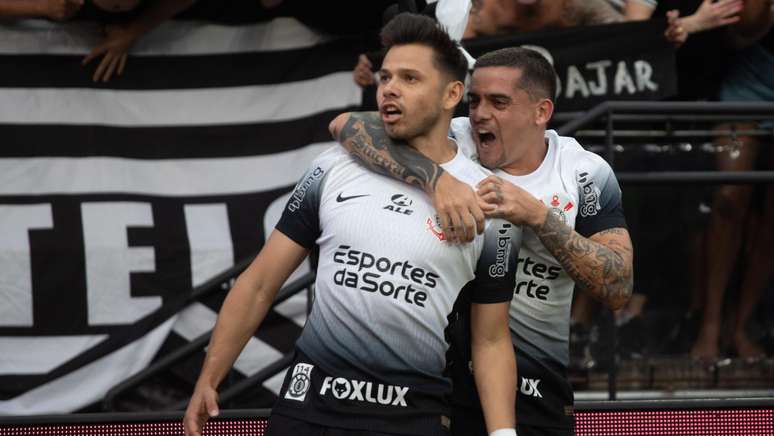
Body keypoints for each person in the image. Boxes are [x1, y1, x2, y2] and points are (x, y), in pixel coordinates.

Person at [183, 13, 520, 436]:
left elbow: (489, 339)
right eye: (385, 78)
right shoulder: (332, 166)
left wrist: (504, 433)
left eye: (410, 79)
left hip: (412, 417)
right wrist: (209, 378)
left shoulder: (490, 203)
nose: (390, 89)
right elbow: (258, 284)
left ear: (453, 93)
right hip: (308, 412)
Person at [331, 47, 634, 436]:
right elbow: (345, 126)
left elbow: (618, 286)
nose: (479, 114)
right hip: (441, 390)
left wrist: (539, 217)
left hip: (536, 390)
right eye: (474, 100)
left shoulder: (582, 171)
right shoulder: (454, 139)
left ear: (541, 112)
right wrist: (437, 180)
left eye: (499, 102)